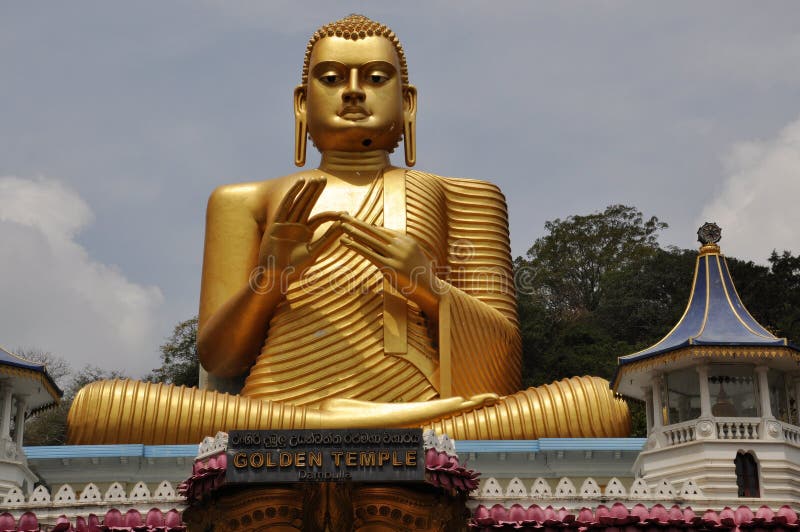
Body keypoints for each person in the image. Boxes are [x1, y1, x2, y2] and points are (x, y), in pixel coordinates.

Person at [67, 15, 629, 444]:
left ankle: (342, 432)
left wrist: (427, 286)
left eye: (375, 78)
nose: (353, 91)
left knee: (598, 404)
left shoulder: (464, 195)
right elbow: (219, 360)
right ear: (301, 104)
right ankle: (330, 428)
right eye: (331, 78)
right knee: (98, 406)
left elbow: (501, 370)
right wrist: (271, 277)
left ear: (407, 105)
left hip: (424, 411)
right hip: (273, 412)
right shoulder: (245, 200)